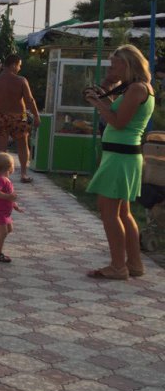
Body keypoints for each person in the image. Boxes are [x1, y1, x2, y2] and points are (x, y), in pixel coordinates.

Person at [83, 45, 155, 280]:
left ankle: (117, 266)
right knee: (123, 212)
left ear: (127, 64)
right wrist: (107, 91)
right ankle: (133, 264)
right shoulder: (137, 87)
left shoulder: (137, 88)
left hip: (121, 157)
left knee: (108, 211)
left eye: (114, 66)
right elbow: (121, 112)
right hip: (122, 155)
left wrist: (97, 102)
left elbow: (119, 122)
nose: (111, 70)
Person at [0, 55, 40, 183]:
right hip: (20, 116)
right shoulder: (21, 81)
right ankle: (24, 174)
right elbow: (30, 100)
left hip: (0, 116)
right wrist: (36, 115)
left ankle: (1, 175)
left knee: (1, 148)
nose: (20, 68)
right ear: (13, 65)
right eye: (19, 65)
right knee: (23, 145)